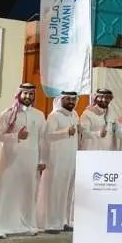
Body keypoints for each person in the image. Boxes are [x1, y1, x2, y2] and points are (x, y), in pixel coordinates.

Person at [0, 83, 46, 239]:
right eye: (25, 93)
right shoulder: (8, 114)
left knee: (28, 192)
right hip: (10, 161)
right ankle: (0, 226)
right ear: (19, 94)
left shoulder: (39, 115)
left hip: (31, 160)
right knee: (7, 192)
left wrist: (42, 159)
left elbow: (42, 139)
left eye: (31, 94)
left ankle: (27, 225)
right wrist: (16, 136)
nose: (28, 96)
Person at [38, 91, 79, 234]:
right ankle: (51, 224)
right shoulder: (54, 116)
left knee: (68, 191)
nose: (71, 101)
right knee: (55, 191)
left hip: (71, 159)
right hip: (56, 159)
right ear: (61, 100)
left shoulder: (75, 115)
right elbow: (47, 136)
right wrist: (65, 132)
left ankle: (64, 221)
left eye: (73, 99)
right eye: (68, 99)